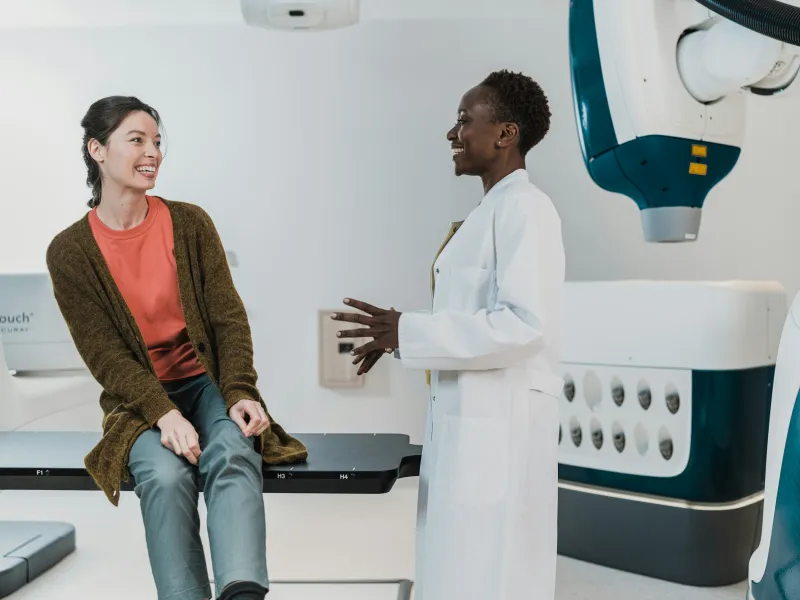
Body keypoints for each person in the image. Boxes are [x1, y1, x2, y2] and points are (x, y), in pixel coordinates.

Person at [46, 96, 308, 600]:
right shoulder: (70, 251)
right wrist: (163, 414)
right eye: (137, 140)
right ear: (97, 149)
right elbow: (105, 356)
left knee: (233, 448)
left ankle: (243, 593)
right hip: (138, 402)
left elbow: (227, 318)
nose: (153, 153)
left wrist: (239, 392)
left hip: (205, 382)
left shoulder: (189, 223)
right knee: (164, 478)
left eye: (158, 142)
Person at [332, 70, 565, 600]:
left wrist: (408, 331)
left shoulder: (527, 210)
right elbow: (475, 320)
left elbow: (526, 325)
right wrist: (402, 337)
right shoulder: (491, 213)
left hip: (498, 435)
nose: (451, 133)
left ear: (506, 133)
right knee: (458, 570)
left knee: (489, 574)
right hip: (472, 428)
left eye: (464, 120)